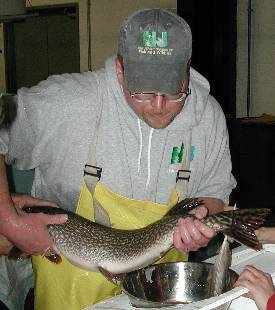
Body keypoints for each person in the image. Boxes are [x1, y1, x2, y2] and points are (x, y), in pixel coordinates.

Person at [0, 8, 236, 310]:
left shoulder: (209, 117)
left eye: (174, 92)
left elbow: (215, 194)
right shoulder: (66, 102)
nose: (159, 106)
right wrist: (9, 220)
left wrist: (201, 224)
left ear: (187, 67)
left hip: (162, 296)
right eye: (143, 92)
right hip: (71, 297)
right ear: (121, 70)